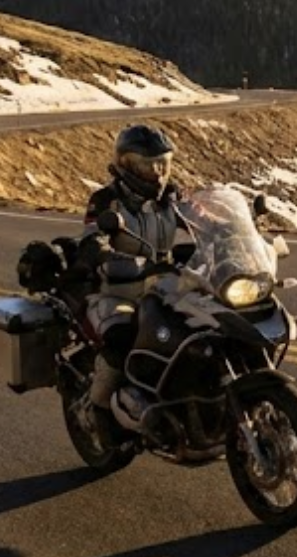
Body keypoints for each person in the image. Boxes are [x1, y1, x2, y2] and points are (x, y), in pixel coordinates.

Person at [77, 124, 188, 412]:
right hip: (117, 291)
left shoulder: (171, 198)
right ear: (125, 165)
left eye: (162, 165)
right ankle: (97, 408)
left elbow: (201, 222)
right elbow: (92, 241)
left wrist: (228, 235)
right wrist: (110, 257)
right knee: (121, 338)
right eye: (147, 166)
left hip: (165, 289)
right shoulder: (105, 200)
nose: (157, 174)